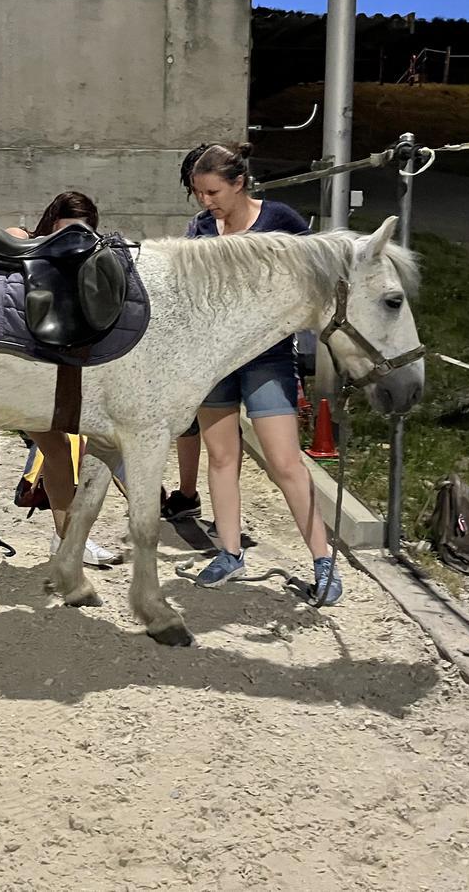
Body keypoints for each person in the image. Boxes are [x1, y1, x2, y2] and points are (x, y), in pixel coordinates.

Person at [179, 142, 342, 601]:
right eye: (198, 193)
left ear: (239, 184)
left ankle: (323, 559)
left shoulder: (281, 220)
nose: (206, 202)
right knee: (222, 458)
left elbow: (319, 275)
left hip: (266, 356)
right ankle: (229, 551)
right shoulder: (200, 229)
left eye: (213, 192)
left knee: (285, 461)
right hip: (214, 358)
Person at [0, 191, 121, 582]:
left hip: (27, 378)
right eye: (63, 231)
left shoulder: (83, 263)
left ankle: (68, 540)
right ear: (49, 224)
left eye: (80, 234)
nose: (70, 242)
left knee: (58, 452)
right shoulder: (22, 239)